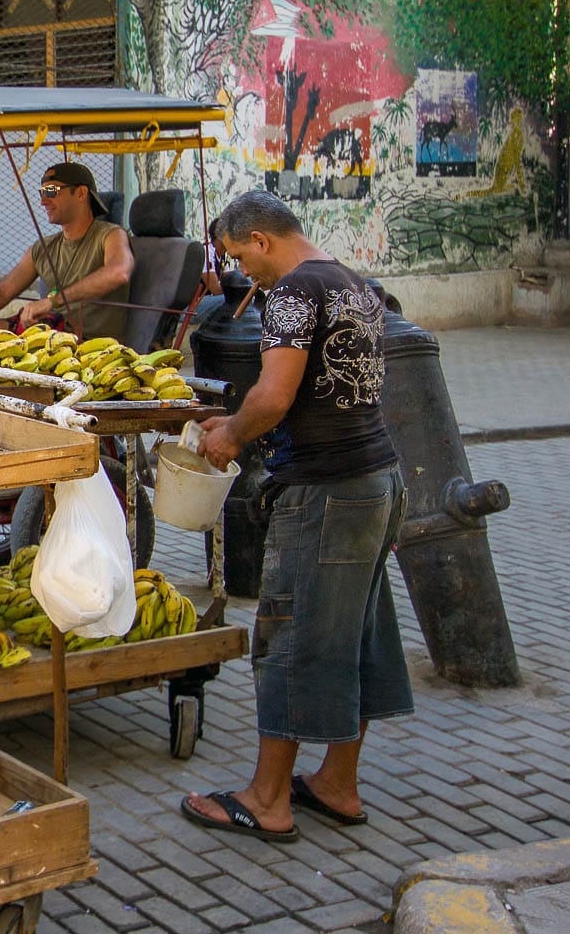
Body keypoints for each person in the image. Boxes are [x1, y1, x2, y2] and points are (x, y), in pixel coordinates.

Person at [179, 189, 410, 844]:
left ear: (261, 241)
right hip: (376, 480)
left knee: (286, 636)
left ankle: (268, 798)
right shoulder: (353, 283)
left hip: (326, 490)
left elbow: (276, 395)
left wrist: (232, 435)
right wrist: (235, 420)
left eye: (238, 258)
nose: (242, 275)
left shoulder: (291, 293)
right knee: (355, 633)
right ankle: (338, 782)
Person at [0, 161, 133, 341]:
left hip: (91, 346)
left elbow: (119, 273)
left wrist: (52, 301)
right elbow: (3, 292)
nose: (43, 201)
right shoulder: (43, 248)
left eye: (51, 192)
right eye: (42, 193)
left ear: (81, 193)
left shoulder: (111, 235)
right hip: (46, 334)